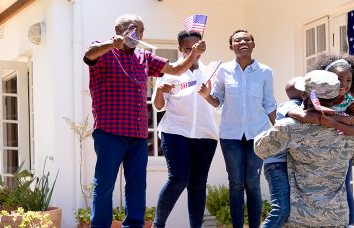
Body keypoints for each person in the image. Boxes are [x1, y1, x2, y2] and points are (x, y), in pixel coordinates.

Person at [83, 14, 206, 228]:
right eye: (132, 28)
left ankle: (134, 225)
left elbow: (176, 70)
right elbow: (89, 55)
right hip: (110, 132)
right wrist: (111, 44)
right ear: (118, 29)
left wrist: (194, 53)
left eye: (140, 30)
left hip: (138, 135)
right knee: (104, 184)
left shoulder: (144, 57)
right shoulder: (103, 51)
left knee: (137, 185)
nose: (137, 34)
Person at [254, 70, 354, 227]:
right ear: (335, 97)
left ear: (305, 95)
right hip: (336, 217)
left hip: (301, 218)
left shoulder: (290, 127)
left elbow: (260, 148)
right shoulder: (352, 130)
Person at [199, 29, 276, 228]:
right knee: (235, 184)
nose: (242, 42)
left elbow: (269, 104)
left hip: (258, 135)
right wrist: (207, 95)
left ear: (253, 43)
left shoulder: (265, 71)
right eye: (237, 40)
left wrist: (280, 132)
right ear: (231, 46)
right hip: (230, 135)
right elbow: (218, 101)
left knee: (253, 183)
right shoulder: (223, 70)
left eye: (246, 39)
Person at [151, 30, 219, 228]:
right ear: (180, 49)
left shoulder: (211, 71)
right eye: (188, 49)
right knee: (178, 179)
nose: (193, 53)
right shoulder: (168, 73)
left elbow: (217, 103)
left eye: (196, 48)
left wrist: (207, 94)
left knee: (198, 184)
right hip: (175, 132)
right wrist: (161, 92)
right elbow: (158, 106)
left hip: (206, 135)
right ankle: (158, 224)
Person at [309, 53, 354, 227]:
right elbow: (315, 116)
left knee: (345, 186)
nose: (345, 84)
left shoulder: (351, 102)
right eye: (340, 79)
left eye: (349, 80)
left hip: (342, 153)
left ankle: (351, 223)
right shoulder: (317, 97)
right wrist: (342, 120)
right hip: (318, 152)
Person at [260, 76, 304, 228]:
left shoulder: (302, 104)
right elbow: (303, 117)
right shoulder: (290, 105)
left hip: (288, 164)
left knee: (292, 212)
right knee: (281, 209)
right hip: (277, 165)